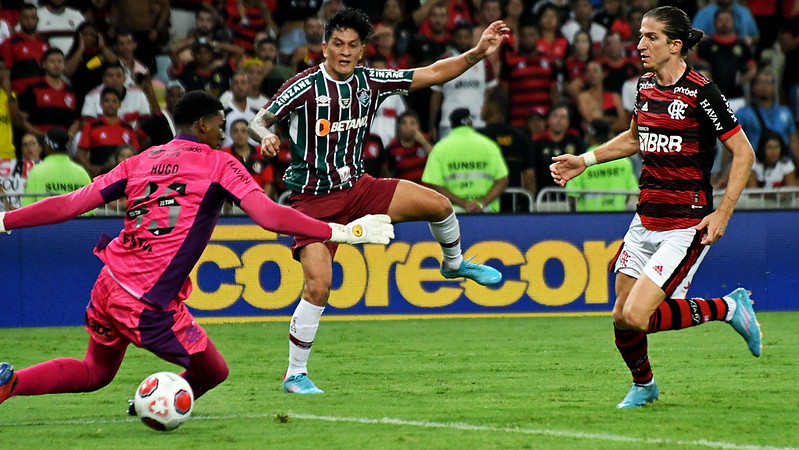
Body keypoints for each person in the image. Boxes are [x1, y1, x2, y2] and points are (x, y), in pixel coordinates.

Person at [0, 91, 395, 408]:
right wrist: (338, 231)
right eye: (220, 127)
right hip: (145, 301)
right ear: (203, 125)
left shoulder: (140, 160)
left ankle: (9, 383)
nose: (223, 135)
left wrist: (5, 219)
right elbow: (270, 215)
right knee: (213, 372)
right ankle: (155, 404)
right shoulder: (219, 164)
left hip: (110, 280)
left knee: (94, 373)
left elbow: (72, 203)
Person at [248, 8, 506, 394]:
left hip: (359, 189)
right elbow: (259, 120)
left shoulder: (370, 81)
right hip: (312, 201)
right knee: (319, 287)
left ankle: (453, 265)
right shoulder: (303, 86)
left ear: (363, 50)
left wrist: (477, 52)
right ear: (324, 47)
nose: (345, 51)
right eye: (337, 44)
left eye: (353, 45)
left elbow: (432, 72)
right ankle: (295, 374)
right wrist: (264, 137)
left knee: (439, 206)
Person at [550, 6, 761, 409]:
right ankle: (644, 385)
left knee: (637, 316)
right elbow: (634, 139)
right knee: (620, 316)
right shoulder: (645, 85)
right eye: (641, 36)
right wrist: (585, 160)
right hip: (644, 219)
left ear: (675, 45)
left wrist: (724, 212)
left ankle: (729, 307)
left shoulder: (702, 92)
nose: (640, 44)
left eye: (651, 37)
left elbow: (744, 152)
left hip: (685, 224)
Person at [422, 108, 509, 213]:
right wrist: (481, 203)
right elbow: (503, 180)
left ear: (452, 124)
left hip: (453, 212)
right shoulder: (489, 145)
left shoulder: (439, 148)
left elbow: (435, 184)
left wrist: (464, 204)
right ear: (470, 122)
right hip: (486, 211)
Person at [565, 119, 638, 211]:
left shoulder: (582, 161)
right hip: (617, 217)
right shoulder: (624, 162)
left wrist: (574, 216)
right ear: (610, 135)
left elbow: (572, 194)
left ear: (590, 136)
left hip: (588, 218)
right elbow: (631, 192)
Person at [76, 87, 139, 177]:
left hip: (123, 176)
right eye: (107, 101)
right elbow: (80, 154)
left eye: (114, 101)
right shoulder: (91, 126)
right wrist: (89, 167)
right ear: (101, 104)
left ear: (120, 104)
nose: (110, 104)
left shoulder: (128, 128)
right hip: (99, 176)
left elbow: (135, 154)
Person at [22, 127, 90, 206]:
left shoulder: (36, 172)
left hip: (46, 217)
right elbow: (90, 209)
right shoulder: (82, 172)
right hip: (76, 218)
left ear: (47, 146)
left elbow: (27, 206)